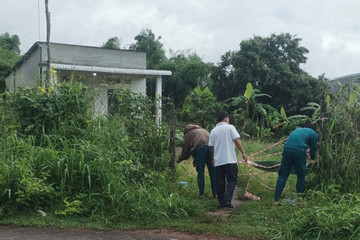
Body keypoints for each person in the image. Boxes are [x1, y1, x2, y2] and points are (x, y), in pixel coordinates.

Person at [208, 111, 248, 208]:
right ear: (226, 118)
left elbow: (211, 147)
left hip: (218, 161)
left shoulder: (213, 131)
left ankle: (222, 202)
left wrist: (213, 158)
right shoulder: (230, 127)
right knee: (232, 180)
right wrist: (243, 153)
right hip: (230, 159)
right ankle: (227, 200)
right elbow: (237, 140)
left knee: (220, 181)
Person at [273, 124, 318, 206]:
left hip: (287, 149)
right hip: (299, 150)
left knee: (282, 175)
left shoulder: (298, 130)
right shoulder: (314, 134)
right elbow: (313, 149)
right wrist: (313, 159)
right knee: (301, 175)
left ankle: (276, 200)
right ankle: (299, 200)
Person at [177, 124, 217, 198]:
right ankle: (216, 193)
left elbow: (186, 149)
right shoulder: (203, 130)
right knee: (213, 171)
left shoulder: (188, 134)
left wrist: (180, 159)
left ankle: (201, 193)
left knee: (200, 172)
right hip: (211, 149)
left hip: (200, 150)